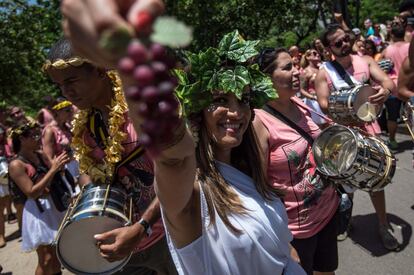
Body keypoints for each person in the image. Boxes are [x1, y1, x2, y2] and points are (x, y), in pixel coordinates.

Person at [43, 37, 176, 274]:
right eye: (60, 86)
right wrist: (88, 194)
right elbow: (86, 172)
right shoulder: (84, 126)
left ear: (100, 69)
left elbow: (180, 176)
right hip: (118, 247)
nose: (66, 92)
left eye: (72, 80)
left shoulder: (145, 108)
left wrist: (141, 227)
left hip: (169, 237)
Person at [254, 47, 339, 275]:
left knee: (327, 271)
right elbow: (259, 187)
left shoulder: (299, 103)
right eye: (287, 67)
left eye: (295, 65)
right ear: (266, 78)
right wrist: (284, 240)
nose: (296, 72)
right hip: (297, 231)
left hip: (328, 210)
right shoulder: (258, 122)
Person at [315, 24, 398, 251]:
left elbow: (388, 81)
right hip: (344, 134)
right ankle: (345, 220)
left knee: (375, 178)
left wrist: (386, 91)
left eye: (345, 39)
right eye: (337, 43)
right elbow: (323, 104)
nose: (344, 44)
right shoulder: (324, 72)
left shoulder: (366, 61)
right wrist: (346, 107)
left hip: (369, 128)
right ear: (329, 47)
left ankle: (383, 225)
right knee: (345, 183)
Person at [8, 122, 69, 275]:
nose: (38, 139)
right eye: (34, 136)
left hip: (52, 205)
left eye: (38, 135)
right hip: (38, 211)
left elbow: (54, 177)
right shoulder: (16, 164)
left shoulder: (40, 155)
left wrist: (59, 167)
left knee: (56, 255)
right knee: (46, 259)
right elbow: (31, 192)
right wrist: (53, 169)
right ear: (22, 139)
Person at [381, 20, 410, 149]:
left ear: (392, 35)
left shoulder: (387, 50)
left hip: (393, 86)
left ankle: (392, 140)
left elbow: (382, 68)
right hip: (409, 85)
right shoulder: (410, 47)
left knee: (392, 116)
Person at [299, 49, 327, 126]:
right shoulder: (305, 72)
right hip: (314, 102)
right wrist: (313, 97)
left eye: (318, 53)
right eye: (314, 53)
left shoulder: (323, 67)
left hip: (328, 98)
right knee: (323, 124)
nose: (317, 54)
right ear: (308, 57)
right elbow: (302, 90)